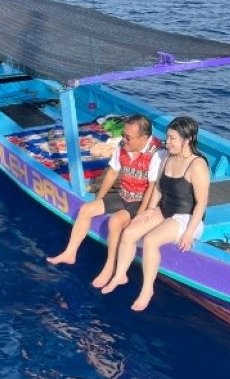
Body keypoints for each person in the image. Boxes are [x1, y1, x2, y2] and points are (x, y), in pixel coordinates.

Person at [100, 116, 210, 311]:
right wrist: (150, 210)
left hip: (187, 217)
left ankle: (147, 290)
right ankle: (120, 274)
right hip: (165, 209)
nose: (167, 142)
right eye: (167, 137)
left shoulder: (197, 165)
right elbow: (159, 188)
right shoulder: (167, 157)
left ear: (188, 139)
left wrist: (188, 232)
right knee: (130, 233)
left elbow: (201, 203)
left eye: (173, 138)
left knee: (151, 240)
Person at [46, 114, 165, 288]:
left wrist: (140, 216)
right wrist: (100, 199)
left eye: (129, 137)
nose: (124, 140)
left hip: (140, 201)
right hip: (124, 193)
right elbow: (112, 173)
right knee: (87, 209)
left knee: (115, 222)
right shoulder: (123, 146)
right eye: (123, 135)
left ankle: (110, 267)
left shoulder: (157, 154)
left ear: (144, 138)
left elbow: (152, 188)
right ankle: (70, 253)